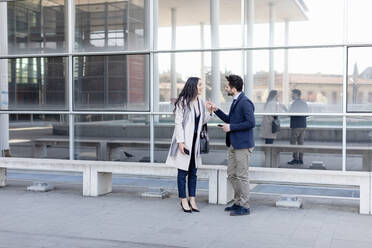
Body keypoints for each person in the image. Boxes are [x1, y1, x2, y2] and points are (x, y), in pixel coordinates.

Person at [207, 75, 255, 216]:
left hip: (243, 145)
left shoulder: (245, 102)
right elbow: (230, 119)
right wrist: (216, 110)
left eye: (227, 86)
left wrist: (231, 128)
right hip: (234, 144)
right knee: (232, 174)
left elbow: (251, 123)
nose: (225, 88)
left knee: (241, 176)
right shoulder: (236, 101)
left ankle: (244, 206)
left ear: (233, 89)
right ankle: (238, 201)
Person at [166, 77, 212, 213]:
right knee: (182, 172)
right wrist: (180, 142)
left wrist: (209, 111)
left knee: (193, 172)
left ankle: (192, 199)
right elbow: (178, 123)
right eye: (200, 85)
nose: (202, 87)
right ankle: (183, 199)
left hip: (195, 143)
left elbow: (202, 121)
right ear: (193, 86)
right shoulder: (182, 102)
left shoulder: (200, 102)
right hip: (185, 142)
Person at [287, 89, 308, 165]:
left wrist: (285, 110)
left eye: (292, 94)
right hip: (303, 125)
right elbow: (307, 113)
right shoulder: (304, 103)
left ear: (296, 94)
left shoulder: (295, 103)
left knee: (293, 142)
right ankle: (300, 159)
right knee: (301, 143)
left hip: (296, 125)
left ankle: (295, 158)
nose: (291, 95)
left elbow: (290, 113)